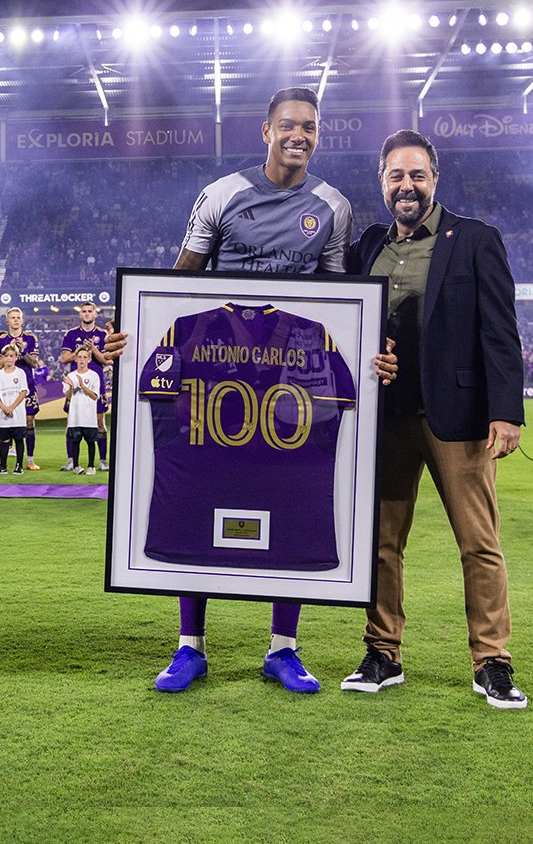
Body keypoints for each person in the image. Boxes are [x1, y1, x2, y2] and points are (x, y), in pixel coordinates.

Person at [156, 86, 353, 696]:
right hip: (217, 373)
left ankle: (283, 650)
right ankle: (190, 646)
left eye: (311, 128)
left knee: (291, 499)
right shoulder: (222, 195)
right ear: (264, 131)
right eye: (289, 126)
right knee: (199, 494)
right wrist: (139, 335)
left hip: (291, 380)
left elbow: (341, 300)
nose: (300, 136)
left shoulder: (334, 206)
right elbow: (179, 284)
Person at [340, 130, 527, 709]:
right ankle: (382, 652)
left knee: (479, 544)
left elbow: (499, 331)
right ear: (382, 180)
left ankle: (492, 662)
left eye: (417, 175)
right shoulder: (368, 244)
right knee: (380, 544)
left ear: (434, 180)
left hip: (460, 416)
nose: (407, 186)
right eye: (396, 175)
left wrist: (506, 413)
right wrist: (371, 350)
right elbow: (350, 320)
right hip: (388, 414)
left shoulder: (475, 239)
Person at [0, 307, 42, 470]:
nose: (16, 320)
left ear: (22, 320)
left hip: (26, 386)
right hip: (6, 387)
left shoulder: (30, 339)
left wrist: (23, 351)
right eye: (13, 317)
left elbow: (34, 363)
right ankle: (2, 462)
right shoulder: (1, 340)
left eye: (18, 317)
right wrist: (10, 350)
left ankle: (30, 460)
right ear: (7, 321)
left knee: (29, 422)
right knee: (5, 423)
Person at [59, 301, 110, 470]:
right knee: (72, 420)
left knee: (100, 421)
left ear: (95, 314)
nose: (87, 314)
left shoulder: (102, 335)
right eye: (84, 311)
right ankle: (71, 460)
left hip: (96, 382)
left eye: (90, 311)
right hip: (75, 381)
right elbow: (65, 359)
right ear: (80, 315)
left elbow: (107, 360)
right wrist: (80, 351)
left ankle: (102, 460)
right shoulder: (71, 334)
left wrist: (94, 350)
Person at [0, 345, 28, 474]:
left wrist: (12, 407)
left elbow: (23, 392)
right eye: (6, 356)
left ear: (16, 357)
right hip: (3, 414)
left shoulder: (20, 373)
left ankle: (19, 466)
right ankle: (3, 466)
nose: (8, 359)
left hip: (17, 414)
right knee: (3, 440)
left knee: (18, 440)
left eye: (11, 356)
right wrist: (4, 407)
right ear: (2, 358)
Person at [61, 346, 100, 474]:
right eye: (79, 357)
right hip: (75, 416)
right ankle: (76, 466)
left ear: (89, 359)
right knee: (75, 442)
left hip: (89, 417)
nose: (82, 360)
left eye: (84, 357)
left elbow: (95, 396)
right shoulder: (71, 376)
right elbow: (69, 396)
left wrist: (82, 385)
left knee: (90, 442)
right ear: (76, 359)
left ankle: (91, 466)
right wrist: (72, 386)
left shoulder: (94, 376)